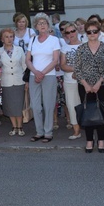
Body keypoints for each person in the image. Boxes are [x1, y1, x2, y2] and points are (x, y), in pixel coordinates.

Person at [73, 20, 104, 153]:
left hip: (101, 85)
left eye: (95, 31)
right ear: (86, 33)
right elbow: (77, 69)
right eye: (89, 32)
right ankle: (89, 140)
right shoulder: (81, 48)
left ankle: (101, 140)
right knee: (87, 112)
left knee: (100, 111)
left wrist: (99, 82)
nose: (92, 34)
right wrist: (85, 84)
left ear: (99, 32)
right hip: (84, 86)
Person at [27, 13, 61, 143]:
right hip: (33, 75)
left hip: (49, 76)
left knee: (48, 104)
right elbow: (28, 60)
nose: (42, 25)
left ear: (48, 25)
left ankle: (48, 132)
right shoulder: (33, 40)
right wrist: (36, 72)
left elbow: (55, 60)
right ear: (35, 26)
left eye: (44, 23)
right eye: (39, 23)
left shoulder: (54, 40)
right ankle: (39, 132)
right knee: (35, 106)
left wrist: (42, 73)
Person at [60, 23, 82, 140]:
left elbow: (88, 64)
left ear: (77, 30)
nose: (71, 34)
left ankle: (87, 127)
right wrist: (76, 69)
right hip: (69, 81)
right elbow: (63, 65)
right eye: (67, 32)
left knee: (84, 105)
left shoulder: (85, 45)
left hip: (84, 82)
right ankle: (76, 130)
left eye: (73, 31)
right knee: (71, 105)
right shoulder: (64, 48)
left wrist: (77, 71)